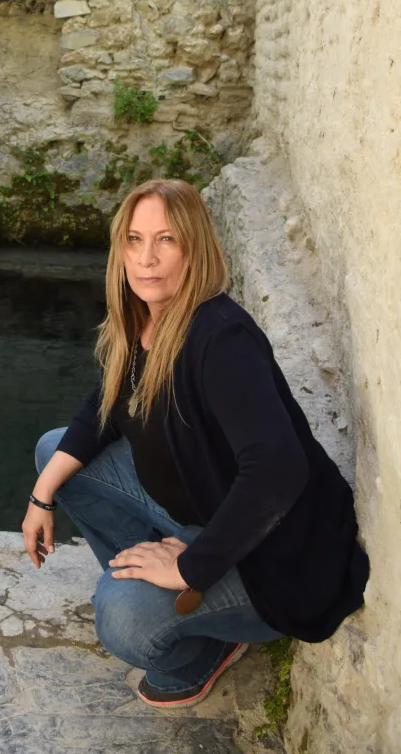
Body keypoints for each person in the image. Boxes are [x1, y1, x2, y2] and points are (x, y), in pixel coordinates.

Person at [23, 179, 369, 709]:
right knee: (56, 455)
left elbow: (278, 468)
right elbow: (102, 411)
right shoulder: (140, 322)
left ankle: (202, 641)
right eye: (134, 240)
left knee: (121, 618)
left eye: (166, 240)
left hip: (275, 556)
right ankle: (167, 581)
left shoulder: (220, 338)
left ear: (195, 247)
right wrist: (39, 497)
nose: (147, 259)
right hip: (205, 508)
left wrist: (190, 567)